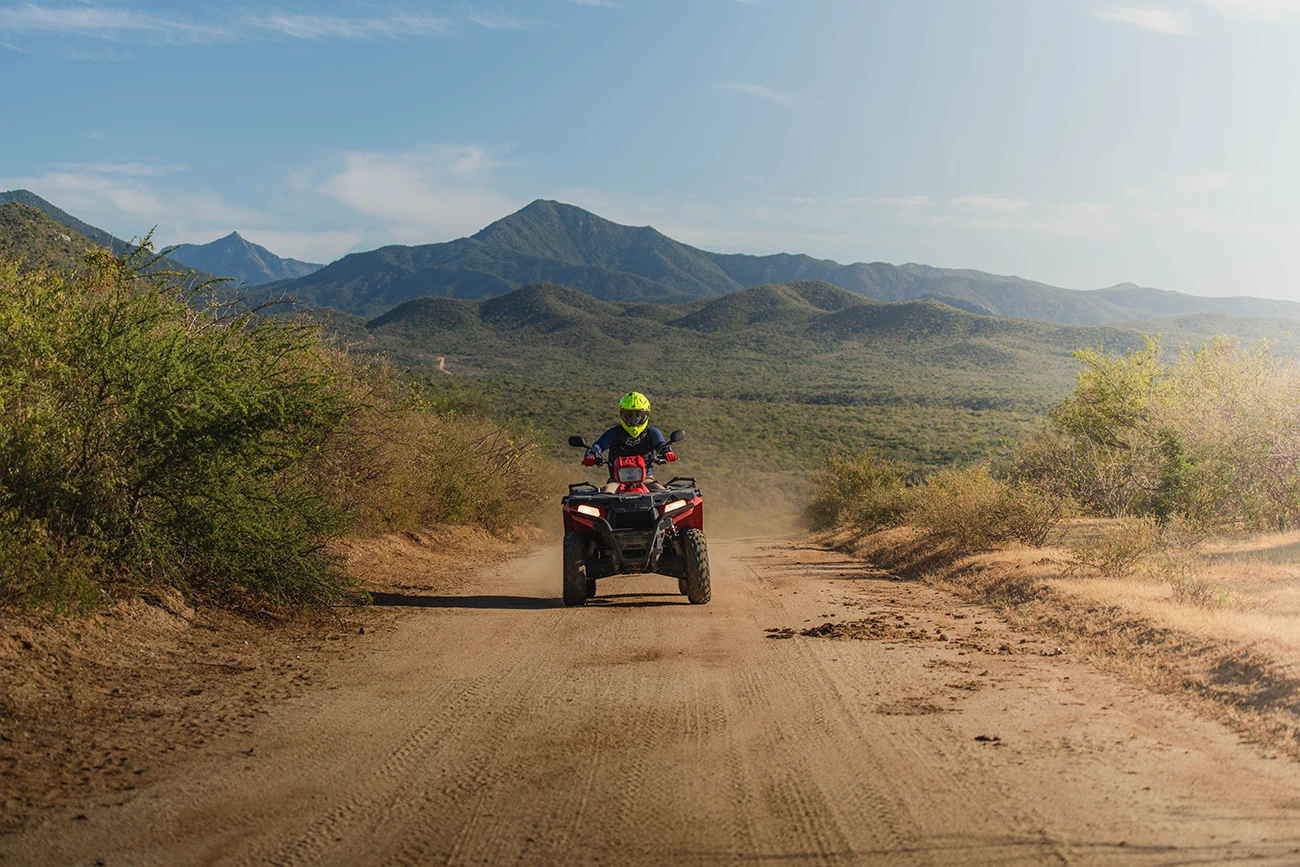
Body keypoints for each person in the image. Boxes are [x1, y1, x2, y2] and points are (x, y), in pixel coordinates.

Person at [583, 392, 677, 493]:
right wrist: (591, 455)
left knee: (664, 494)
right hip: (616, 480)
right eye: (629, 416)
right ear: (621, 415)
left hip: (646, 479)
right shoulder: (614, 432)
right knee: (606, 494)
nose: (634, 420)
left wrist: (667, 452)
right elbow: (599, 445)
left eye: (638, 416)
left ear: (646, 415)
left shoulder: (652, 433)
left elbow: (661, 445)